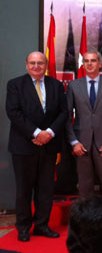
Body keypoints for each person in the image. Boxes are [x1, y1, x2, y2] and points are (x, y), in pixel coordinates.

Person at [6, 51, 68, 242]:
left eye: (40, 63)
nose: (36, 66)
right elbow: (13, 112)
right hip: (24, 145)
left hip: (49, 145)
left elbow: (63, 112)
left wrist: (48, 133)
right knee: (24, 190)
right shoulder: (15, 84)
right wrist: (35, 133)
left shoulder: (56, 85)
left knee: (46, 189)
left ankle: (42, 225)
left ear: (46, 65)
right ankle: (23, 228)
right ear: (26, 65)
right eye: (32, 63)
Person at [66, 51, 102, 198]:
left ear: (100, 64)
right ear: (83, 65)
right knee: (84, 187)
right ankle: (85, 220)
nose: (89, 64)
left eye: (93, 61)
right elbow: (67, 116)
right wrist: (73, 142)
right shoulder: (73, 86)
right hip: (81, 144)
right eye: (86, 61)